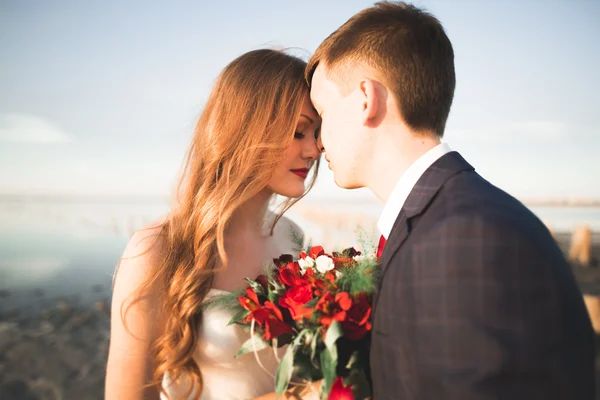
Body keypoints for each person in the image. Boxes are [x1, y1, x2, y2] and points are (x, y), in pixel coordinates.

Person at [306, 2, 595, 399]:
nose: (319, 140)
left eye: (322, 113)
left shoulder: (457, 240)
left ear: (364, 100)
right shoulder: (456, 216)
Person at [105, 49, 321, 400]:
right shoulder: (157, 249)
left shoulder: (292, 236)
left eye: (317, 134)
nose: (314, 150)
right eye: (298, 132)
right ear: (246, 129)